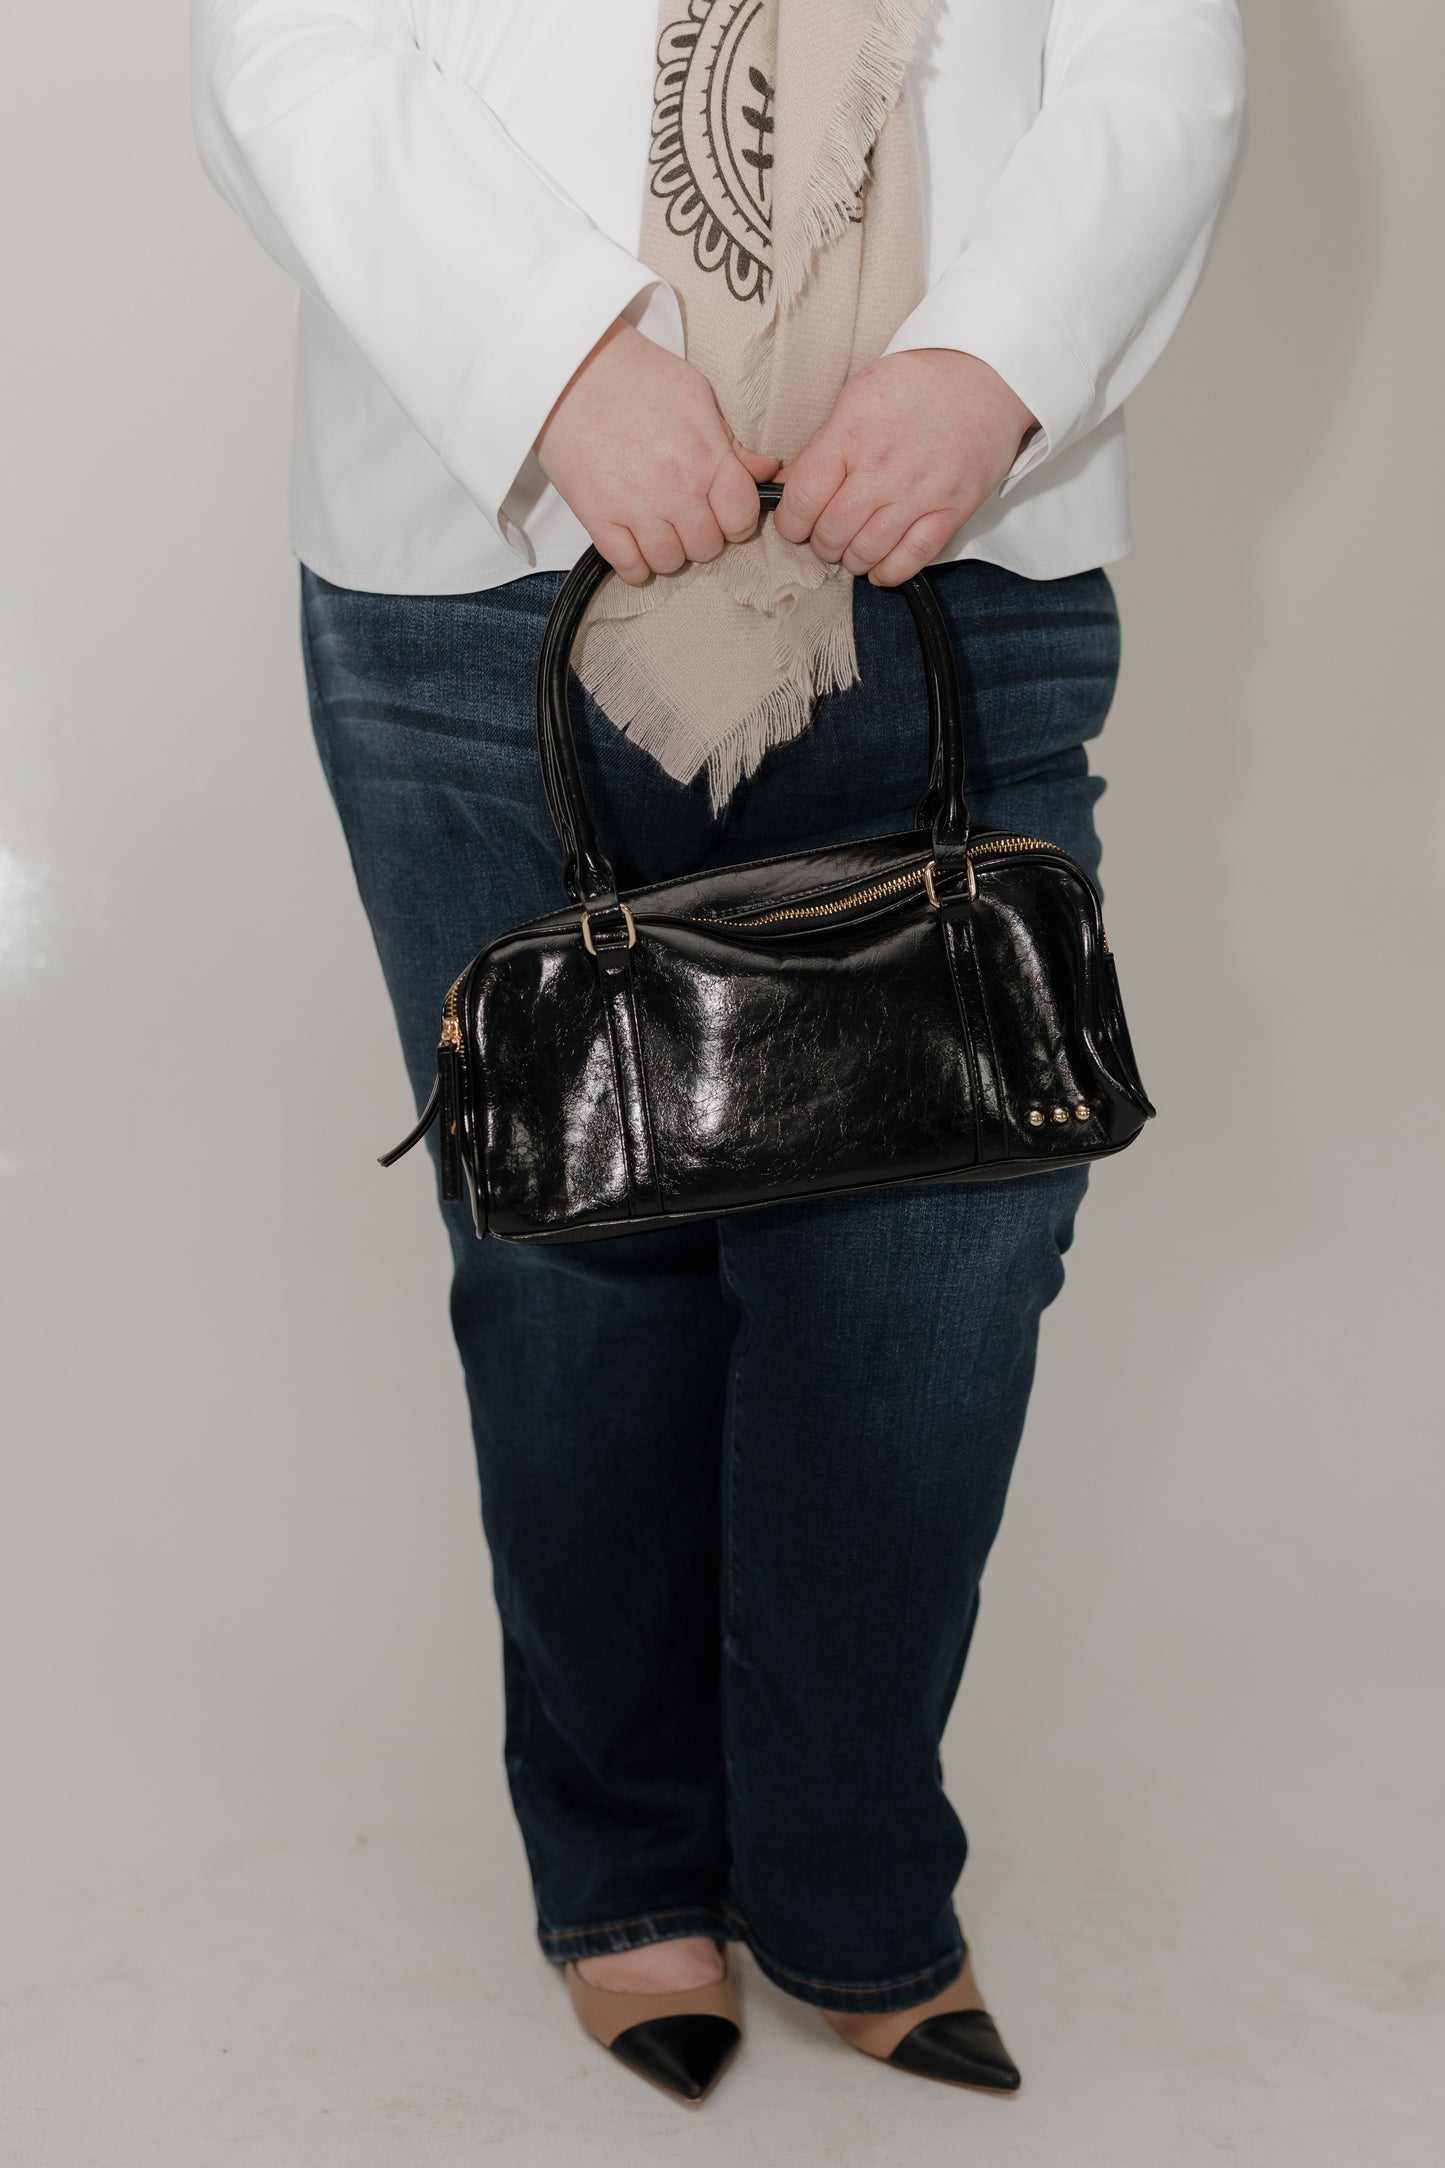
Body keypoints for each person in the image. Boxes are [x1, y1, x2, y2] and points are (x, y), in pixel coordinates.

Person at [193, 0, 1245, 2108]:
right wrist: (558, 359)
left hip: (952, 542)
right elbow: (285, 40)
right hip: (492, 557)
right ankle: (625, 1872)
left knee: (934, 1279)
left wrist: (991, 362)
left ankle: (851, 1874)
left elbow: (1162, 57)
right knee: (578, 1269)